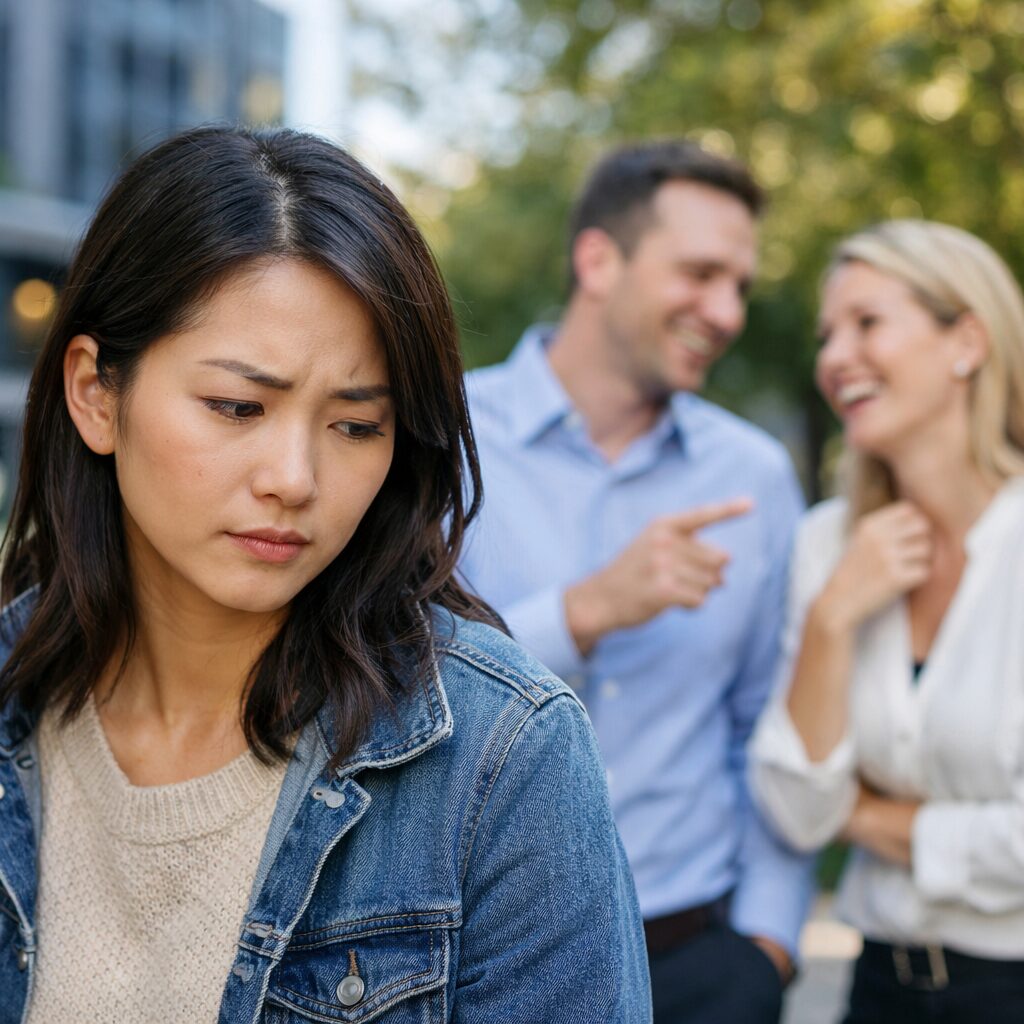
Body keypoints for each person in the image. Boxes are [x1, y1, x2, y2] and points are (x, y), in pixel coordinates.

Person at [0, 126, 651, 1024]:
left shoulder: (503, 761)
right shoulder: (14, 704)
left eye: (355, 426)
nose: (295, 479)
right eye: (238, 407)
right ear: (96, 394)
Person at [459, 139, 813, 1023]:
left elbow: (769, 723)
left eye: (740, 285)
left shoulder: (756, 476)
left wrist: (768, 947)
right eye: (700, 273)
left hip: (701, 964)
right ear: (598, 259)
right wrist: (585, 612)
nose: (725, 311)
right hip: (476, 962)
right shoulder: (440, 436)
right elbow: (383, 681)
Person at [749, 219, 1024, 1022]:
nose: (836, 359)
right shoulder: (828, 542)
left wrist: (867, 816)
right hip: (879, 990)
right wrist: (836, 615)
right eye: (829, 334)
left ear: (966, 341)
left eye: (868, 323)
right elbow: (798, 813)